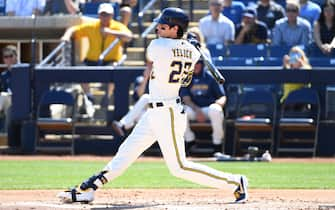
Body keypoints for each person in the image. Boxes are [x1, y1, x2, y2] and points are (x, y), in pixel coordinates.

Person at [57, 7, 248, 204]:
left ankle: (235, 182)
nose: (158, 29)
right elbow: (184, 61)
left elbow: (162, 51)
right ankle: (89, 189)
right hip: (154, 112)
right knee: (126, 152)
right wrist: (187, 43)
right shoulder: (192, 52)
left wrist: (183, 42)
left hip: (168, 113)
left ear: (175, 29)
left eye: (163, 26)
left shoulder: (158, 46)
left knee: (179, 167)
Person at [61, 3, 132, 103]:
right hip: (92, 60)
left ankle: (107, 96)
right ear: (99, 15)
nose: (105, 17)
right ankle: (89, 96)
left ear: (112, 15)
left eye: (107, 15)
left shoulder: (117, 26)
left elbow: (129, 36)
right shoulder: (92, 26)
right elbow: (73, 29)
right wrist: (66, 36)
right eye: (102, 14)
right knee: (80, 71)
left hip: (111, 60)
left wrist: (110, 32)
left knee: (114, 70)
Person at [181, 58, 228, 157]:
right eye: (194, 63)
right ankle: (190, 141)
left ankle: (217, 145)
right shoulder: (187, 78)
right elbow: (186, 99)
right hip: (194, 109)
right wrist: (197, 111)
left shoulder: (210, 77)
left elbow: (222, 97)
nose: (196, 65)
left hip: (208, 109)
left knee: (216, 110)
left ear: (202, 64)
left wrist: (218, 104)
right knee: (180, 111)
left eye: (198, 63)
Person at [111, 63, 151, 137]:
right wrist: (146, 78)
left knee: (146, 98)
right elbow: (138, 95)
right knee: (141, 113)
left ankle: (123, 125)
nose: (151, 68)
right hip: (146, 114)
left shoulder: (161, 79)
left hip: (159, 112)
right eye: (149, 65)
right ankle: (124, 125)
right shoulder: (141, 78)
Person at [0, 46, 18, 132]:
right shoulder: (3, 75)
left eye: (11, 56)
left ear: (16, 56)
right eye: (6, 57)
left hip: (20, 101)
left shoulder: (23, 72)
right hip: (7, 102)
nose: (8, 59)